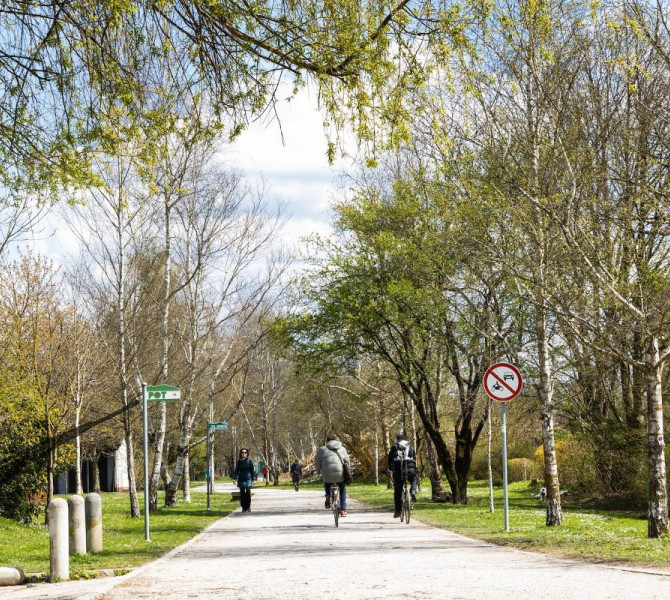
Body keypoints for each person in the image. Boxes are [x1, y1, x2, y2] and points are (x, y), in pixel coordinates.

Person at [315, 434, 351, 517]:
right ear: (336, 440)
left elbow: (317, 462)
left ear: (327, 441)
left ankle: (327, 495)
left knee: (327, 482)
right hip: (340, 473)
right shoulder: (342, 449)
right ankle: (343, 510)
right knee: (342, 489)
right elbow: (347, 461)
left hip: (327, 474)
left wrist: (318, 471)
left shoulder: (322, 449)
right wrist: (348, 469)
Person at [388, 433, 419, 518]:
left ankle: (397, 511)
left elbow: (390, 459)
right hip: (410, 469)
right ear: (406, 439)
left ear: (398, 439)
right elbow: (414, 458)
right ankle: (413, 490)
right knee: (414, 479)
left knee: (397, 491)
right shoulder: (410, 446)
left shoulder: (394, 447)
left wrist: (390, 469)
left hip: (398, 471)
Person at [232, 448, 256, 513]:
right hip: (241, 478)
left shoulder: (250, 461)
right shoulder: (239, 462)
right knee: (242, 493)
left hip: (248, 478)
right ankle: (243, 507)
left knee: (248, 493)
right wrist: (234, 478)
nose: (244, 454)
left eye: (245, 452)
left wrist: (253, 479)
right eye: (242, 452)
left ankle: (248, 507)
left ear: (247, 453)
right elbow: (236, 471)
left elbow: (252, 471)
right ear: (241, 453)